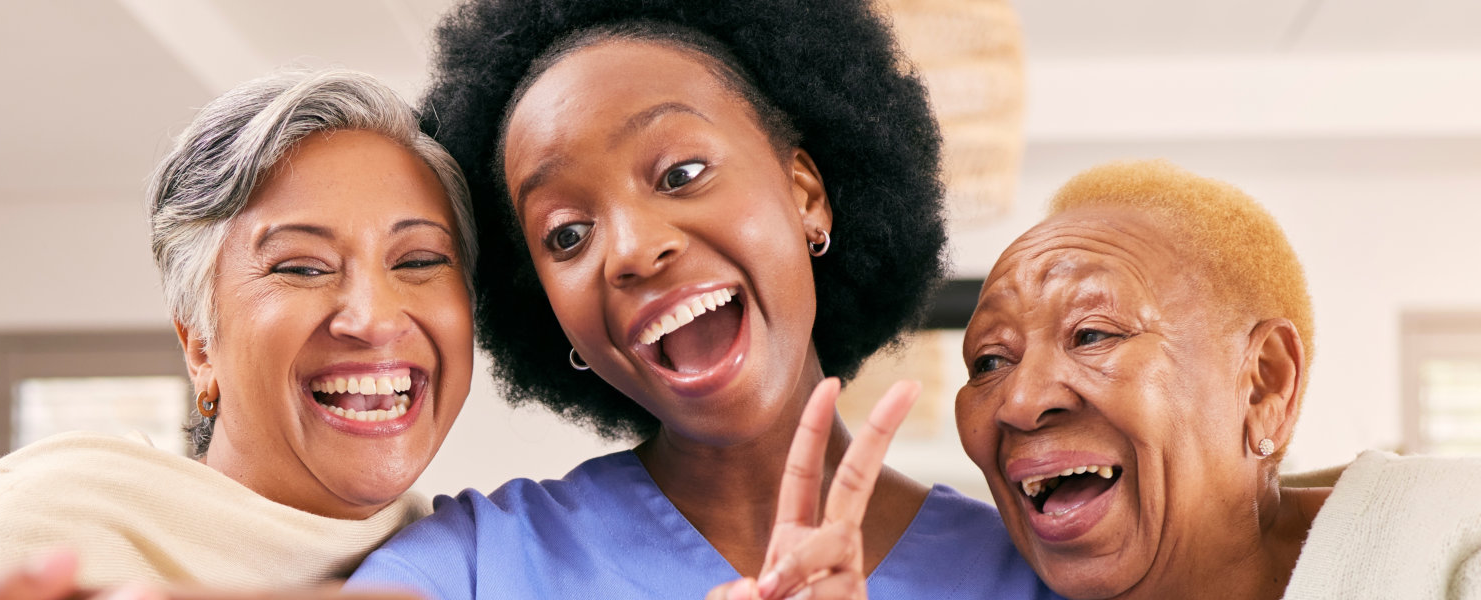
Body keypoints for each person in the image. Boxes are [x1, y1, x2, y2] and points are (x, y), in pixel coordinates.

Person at [347, 1, 1055, 598]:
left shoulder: (1031, 576)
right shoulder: (469, 566)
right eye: (566, 235)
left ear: (806, 196)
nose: (629, 250)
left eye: (681, 172)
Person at [0, 69, 478, 600]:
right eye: (302, 267)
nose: (374, 319)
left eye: (419, 261)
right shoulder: (45, 537)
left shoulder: (472, 561)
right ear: (200, 345)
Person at [954, 159, 1481, 599]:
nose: (1020, 400)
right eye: (989, 359)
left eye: (1094, 334)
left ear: (1263, 386)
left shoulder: (1477, 530)